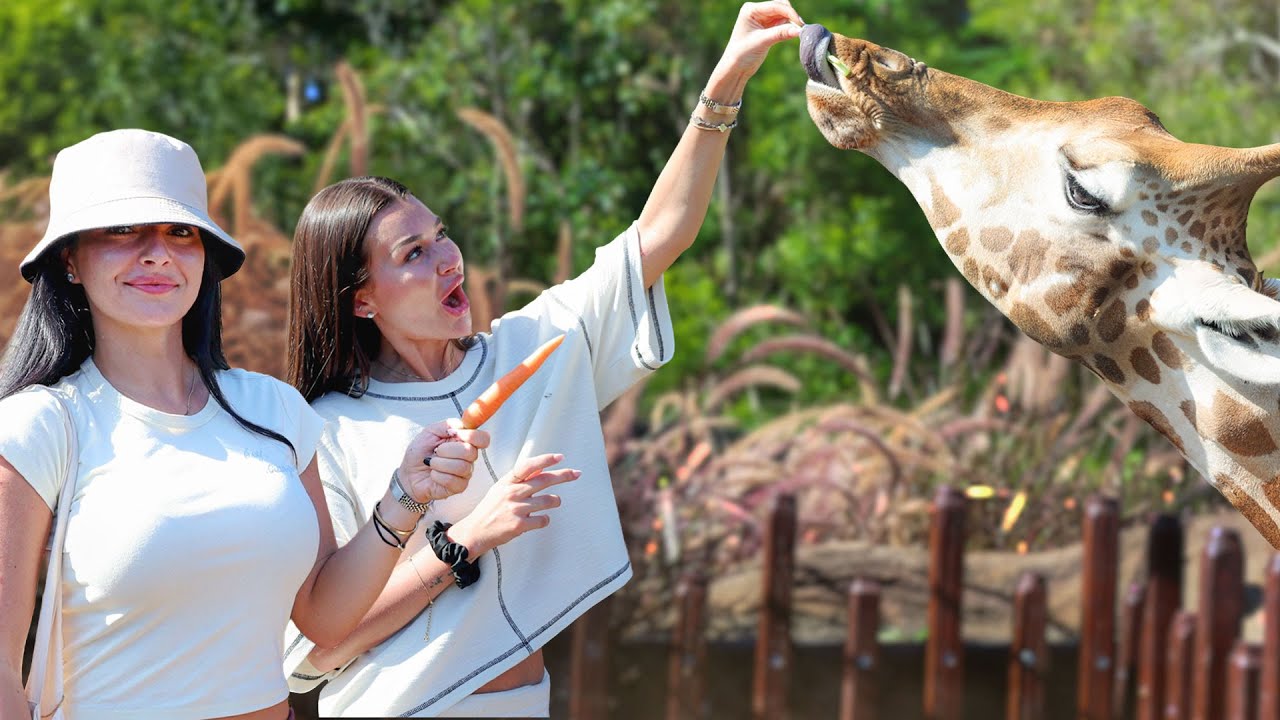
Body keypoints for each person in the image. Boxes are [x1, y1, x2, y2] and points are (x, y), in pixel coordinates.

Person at [282, 2, 804, 716]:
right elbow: (319, 648)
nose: (447, 259)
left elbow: (663, 233)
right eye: (414, 254)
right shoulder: (325, 431)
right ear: (362, 300)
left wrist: (724, 85)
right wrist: (467, 539)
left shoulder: (535, 344)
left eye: (441, 235)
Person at [0, 129, 490, 720]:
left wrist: (405, 495)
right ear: (69, 260)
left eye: (181, 232)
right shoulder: (40, 426)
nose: (157, 253)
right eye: (123, 230)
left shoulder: (274, 410)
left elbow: (323, 617)